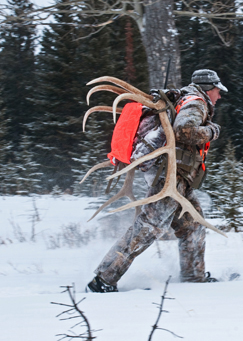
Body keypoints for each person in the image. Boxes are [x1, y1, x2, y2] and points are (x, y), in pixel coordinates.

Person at [87, 69, 227, 293]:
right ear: (209, 88)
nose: (219, 96)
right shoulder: (196, 102)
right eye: (218, 91)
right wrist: (212, 131)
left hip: (176, 176)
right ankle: (104, 278)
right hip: (171, 176)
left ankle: (194, 277)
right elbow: (184, 131)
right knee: (148, 228)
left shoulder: (184, 98)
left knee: (193, 226)